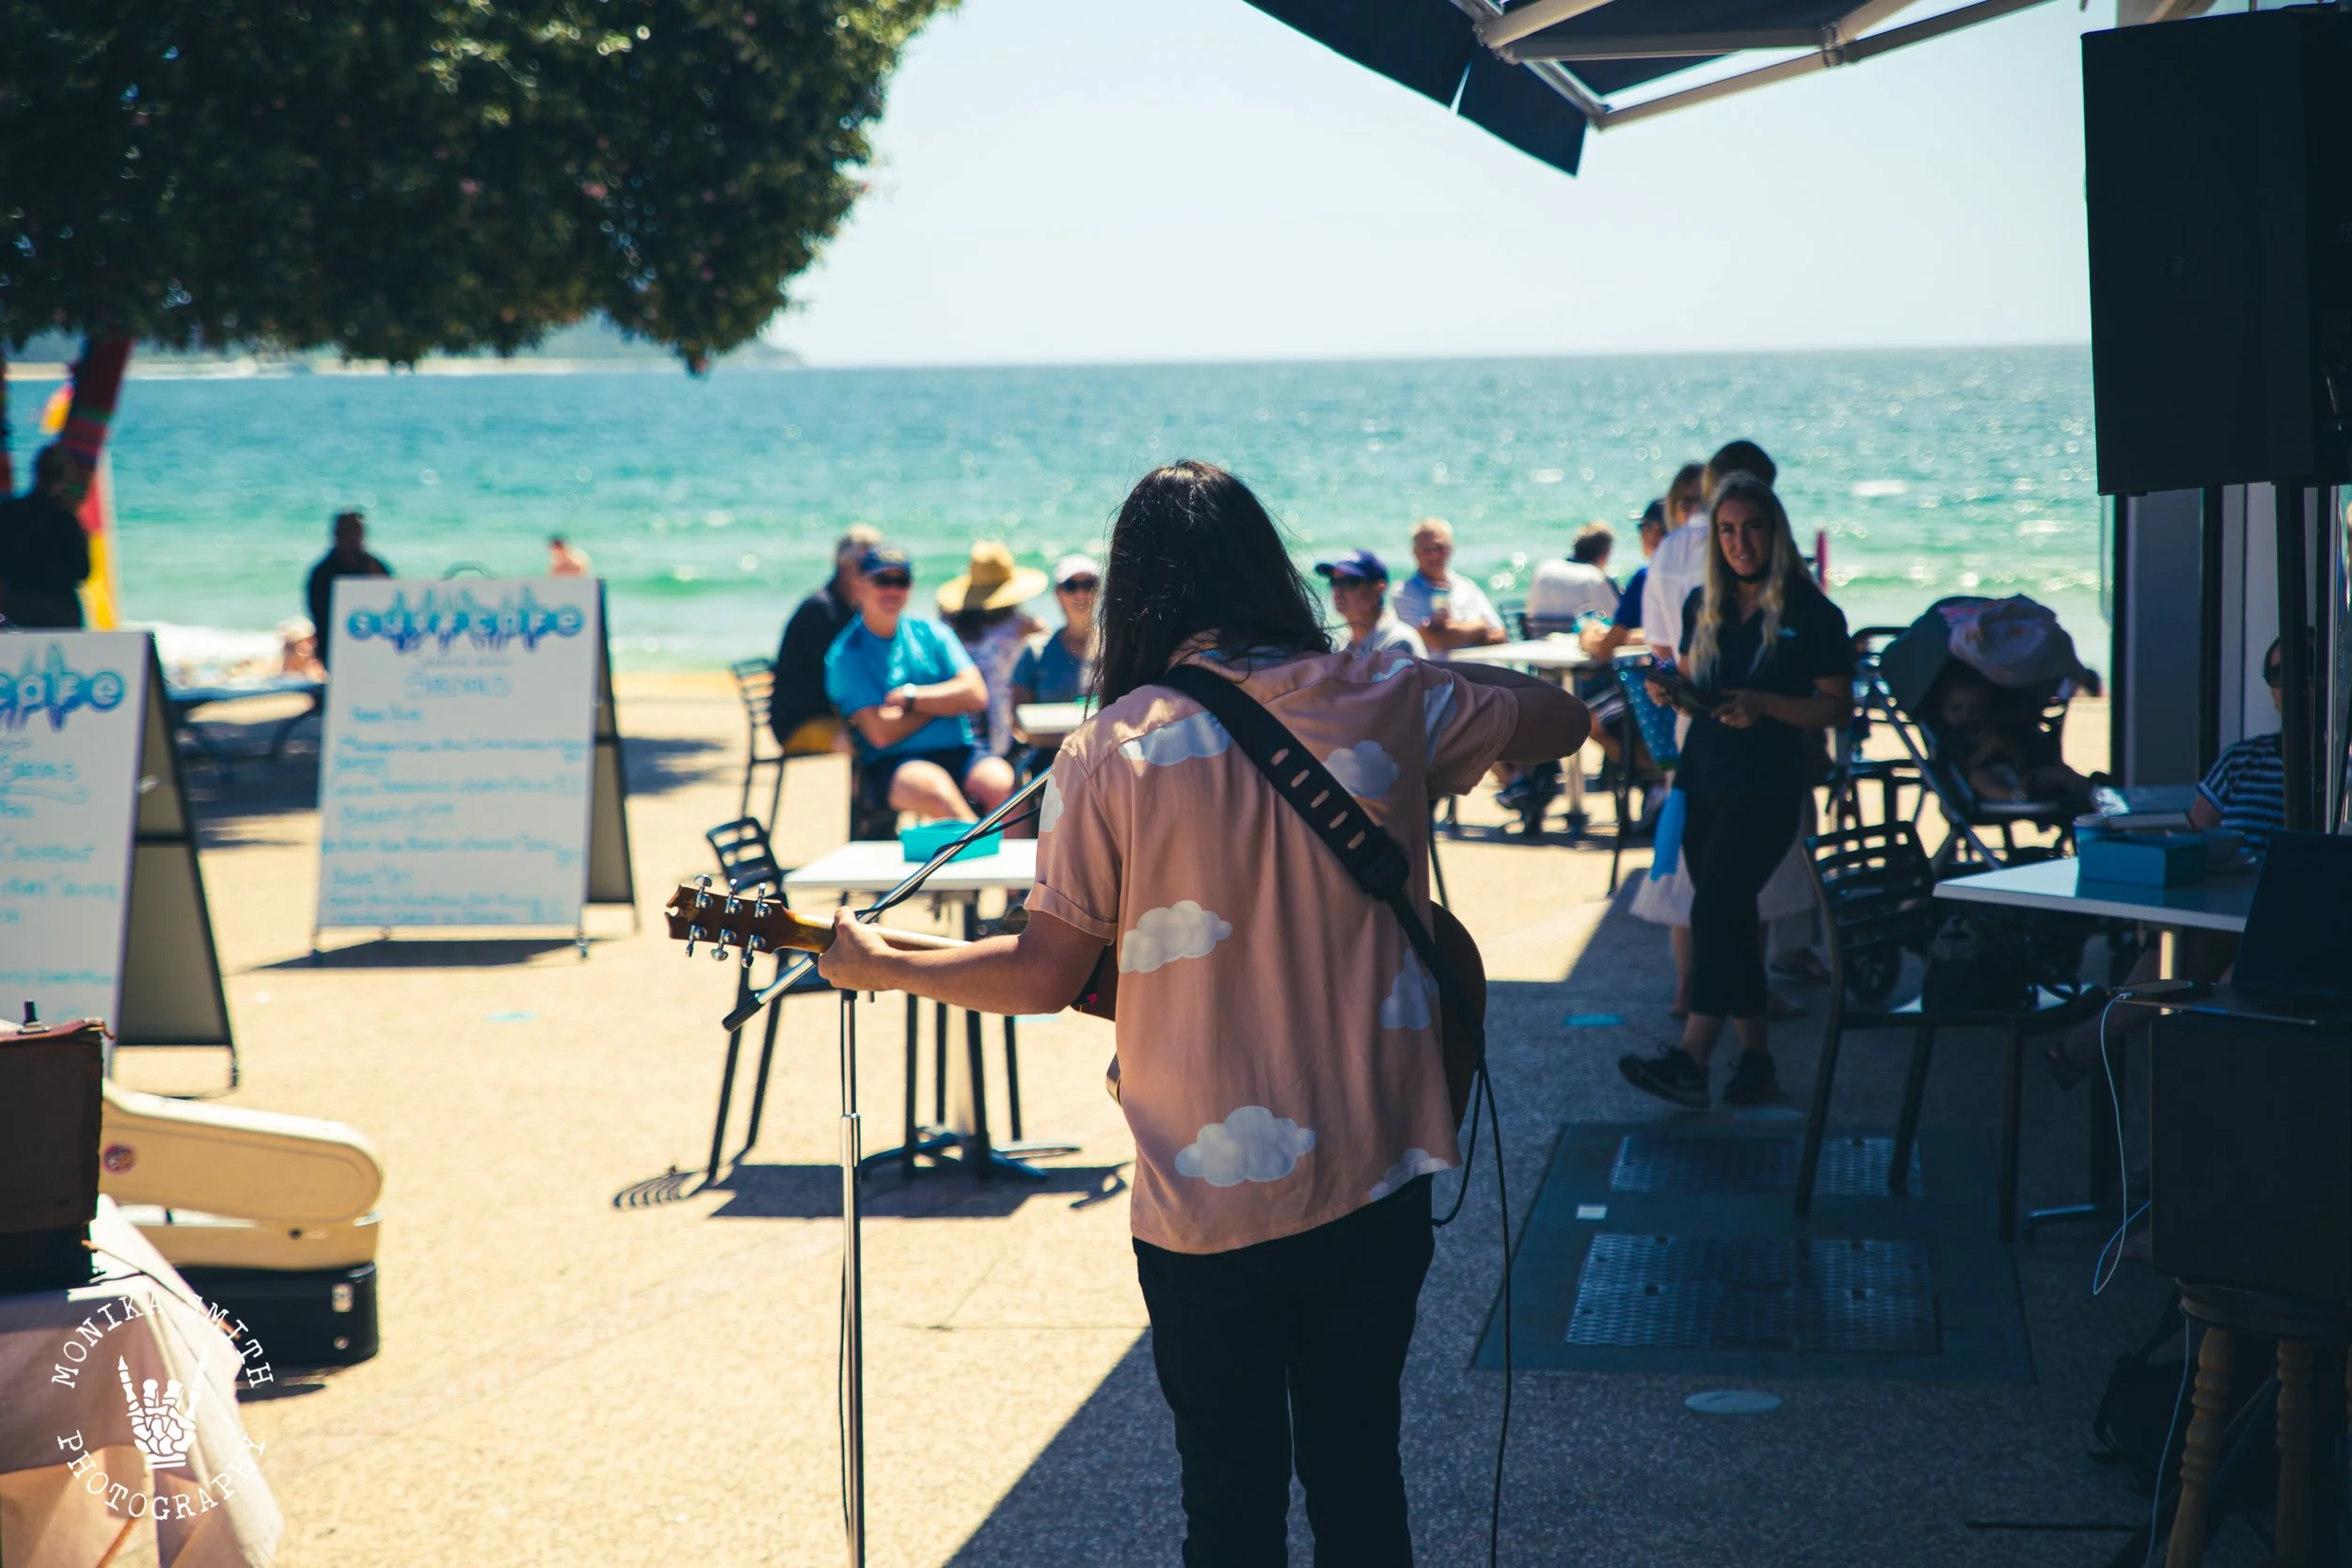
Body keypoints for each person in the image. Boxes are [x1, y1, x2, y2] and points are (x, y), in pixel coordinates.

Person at [815, 459, 1587, 1566]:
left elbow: (1043, 973)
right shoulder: (1385, 693)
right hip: (1371, 1171)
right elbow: (1558, 718)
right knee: (1360, 1471)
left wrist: (892, 959)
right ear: (1265, 571)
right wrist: (1414, 673)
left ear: (1136, 593)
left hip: (1201, 1202)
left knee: (1228, 1506)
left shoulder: (1110, 749)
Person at [1620, 473, 1852, 1109]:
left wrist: (1768, 704)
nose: (1739, 542)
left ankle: (1693, 1058)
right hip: (1704, 779)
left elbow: (1835, 708)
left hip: (1767, 785)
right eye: (1726, 530)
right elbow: (1701, 678)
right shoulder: (1704, 604)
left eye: (1751, 527)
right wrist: (1672, 686)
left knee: (1715, 908)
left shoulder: (1814, 613)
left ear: (1775, 531)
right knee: (1729, 914)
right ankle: (1756, 1059)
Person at [824, 546, 1015, 824]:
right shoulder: (846, 655)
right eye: (882, 581)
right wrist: (945, 703)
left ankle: (1020, 867)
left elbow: (975, 695)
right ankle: (983, 860)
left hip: (961, 752)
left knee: (1003, 784)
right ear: (859, 585)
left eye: (901, 581)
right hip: (892, 763)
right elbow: (880, 733)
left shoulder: (933, 632)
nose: (893, 590)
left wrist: (911, 699)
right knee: (936, 789)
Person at [769, 525, 881, 753]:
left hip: (828, 717)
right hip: (800, 725)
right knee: (873, 744)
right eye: (865, 564)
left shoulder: (851, 609)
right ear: (844, 564)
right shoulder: (821, 610)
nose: (872, 573)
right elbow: (836, 679)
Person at [1927, 662, 2092, 805]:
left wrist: (2013, 752)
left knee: (2058, 772)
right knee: (1980, 779)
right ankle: (2018, 796)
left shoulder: (1995, 727)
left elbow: (2021, 754)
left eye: (1974, 708)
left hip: (2021, 776)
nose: (1966, 714)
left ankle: (2092, 789)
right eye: (1957, 708)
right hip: (1978, 786)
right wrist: (1985, 751)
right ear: (1942, 709)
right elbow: (1960, 770)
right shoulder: (1949, 738)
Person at [939, 541, 1048, 758]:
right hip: (1001, 717)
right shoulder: (1022, 625)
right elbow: (1049, 649)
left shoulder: (952, 624)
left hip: (960, 715)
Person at [0, 444, 92, 628]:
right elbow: (82, 571)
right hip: (61, 608)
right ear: (65, 478)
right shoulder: (66, 520)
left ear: (35, 471)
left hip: (18, 606)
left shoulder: (9, 513)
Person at [1391, 517, 1505, 657]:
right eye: (1427, 550)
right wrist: (1479, 628)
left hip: (1479, 671)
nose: (1433, 555)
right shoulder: (1404, 593)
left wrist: (1453, 630)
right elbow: (1438, 641)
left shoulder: (1467, 587)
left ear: (1450, 549)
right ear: (1415, 553)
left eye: (1439, 548)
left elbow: (1500, 635)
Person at [1582, 500, 1670, 661]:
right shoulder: (1701, 571)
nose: (1640, 535)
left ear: (1655, 531)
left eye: (1641, 527)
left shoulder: (1647, 576)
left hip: (1665, 678)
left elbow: (1605, 648)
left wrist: (1587, 638)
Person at [305, 510, 392, 668]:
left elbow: (391, 598)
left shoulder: (374, 565)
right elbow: (320, 615)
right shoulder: (323, 572)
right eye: (348, 532)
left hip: (377, 646)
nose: (353, 537)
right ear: (336, 534)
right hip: (336, 648)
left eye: (357, 532)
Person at [1011, 554, 1102, 706]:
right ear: (1057, 594)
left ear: (1098, 590)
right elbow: (1017, 720)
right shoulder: (1035, 652)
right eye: (1071, 586)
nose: (1080, 594)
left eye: (1088, 585)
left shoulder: (1117, 648)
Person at [1315, 547, 1425, 657]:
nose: (1337, 590)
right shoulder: (1340, 644)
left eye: (1348, 582)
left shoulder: (1398, 643)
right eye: (1334, 581)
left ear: (1378, 590)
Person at [1525, 524, 1620, 627]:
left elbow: (1530, 610)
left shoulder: (1544, 569)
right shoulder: (1595, 577)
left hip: (1538, 637)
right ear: (1604, 553)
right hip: (1578, 640)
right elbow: (1618, 619)